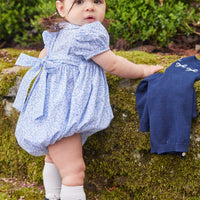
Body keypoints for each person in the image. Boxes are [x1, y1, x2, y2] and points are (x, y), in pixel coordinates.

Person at [13, 0, 163, 199]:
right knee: (74, 171)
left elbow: (44, 56)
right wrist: (142, 70)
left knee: (53, 158)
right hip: (64, 111)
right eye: (80, 2)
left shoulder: (58, 31)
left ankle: (52, 195)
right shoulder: (88, 34)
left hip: (47, 107)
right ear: (61, 8)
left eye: (97, 1)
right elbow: (114, 65)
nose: (90, 7)